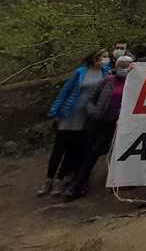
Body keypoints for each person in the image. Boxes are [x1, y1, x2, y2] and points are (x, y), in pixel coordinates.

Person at [37, 49, 110, 197]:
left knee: (73, 150)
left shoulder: (106, 73)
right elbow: (65, 92)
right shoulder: (80, 72)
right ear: (95, 58)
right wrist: (55, 112)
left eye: (107, 57)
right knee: (59, 148)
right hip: (70, 113)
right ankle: (48, 180)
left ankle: (60, 180)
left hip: (87, 116)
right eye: (104, 56)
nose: (106, 59)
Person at [63, 56, 134, 201]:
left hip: (120, 124)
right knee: (92, 154)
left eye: (127, 65)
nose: (124, 67)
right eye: (121, 64)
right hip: (100, 123)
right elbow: (91, 99)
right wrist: (93, 112)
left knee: (119, 152)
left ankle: (122, 181)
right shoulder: (108, 80)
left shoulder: (133, 82)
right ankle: (77, 186)